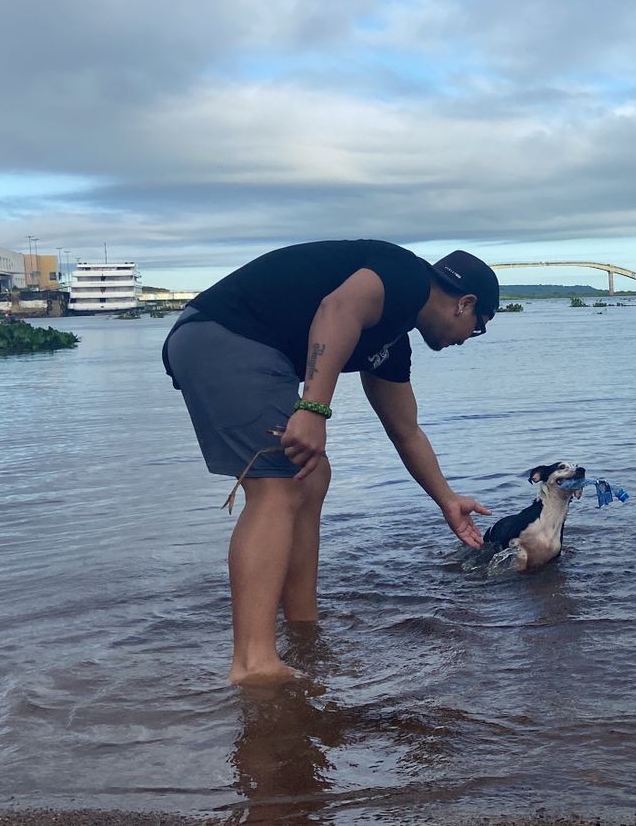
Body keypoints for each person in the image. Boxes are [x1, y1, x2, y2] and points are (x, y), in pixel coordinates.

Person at [162, 241, 499, 685]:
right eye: (477, 329)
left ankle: (302, 627)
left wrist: (446, 499)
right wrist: (314, 408)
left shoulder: (392, 341)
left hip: (228, 344)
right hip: (226, 338)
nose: (465, 341)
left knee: (312, 472)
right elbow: (337, 308)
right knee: (278, 485)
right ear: (465, 304)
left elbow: (406, 430)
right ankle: (253, 663)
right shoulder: (407, 277)